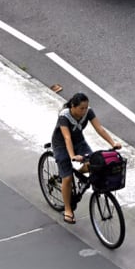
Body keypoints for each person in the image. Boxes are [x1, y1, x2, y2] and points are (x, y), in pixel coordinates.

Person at [51, 92, 122, 225]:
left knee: (94, 164)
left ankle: (77, 173)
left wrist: (113, 143)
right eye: (81, 108)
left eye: (85, 108)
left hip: (79, 142)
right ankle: (68, 209)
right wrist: (72, 156)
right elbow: (67, 138)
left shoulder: (88, 112)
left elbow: (99, 129)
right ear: (73, 106)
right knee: (67, 178)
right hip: (61, 145)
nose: (84, 111)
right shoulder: (64, 116)